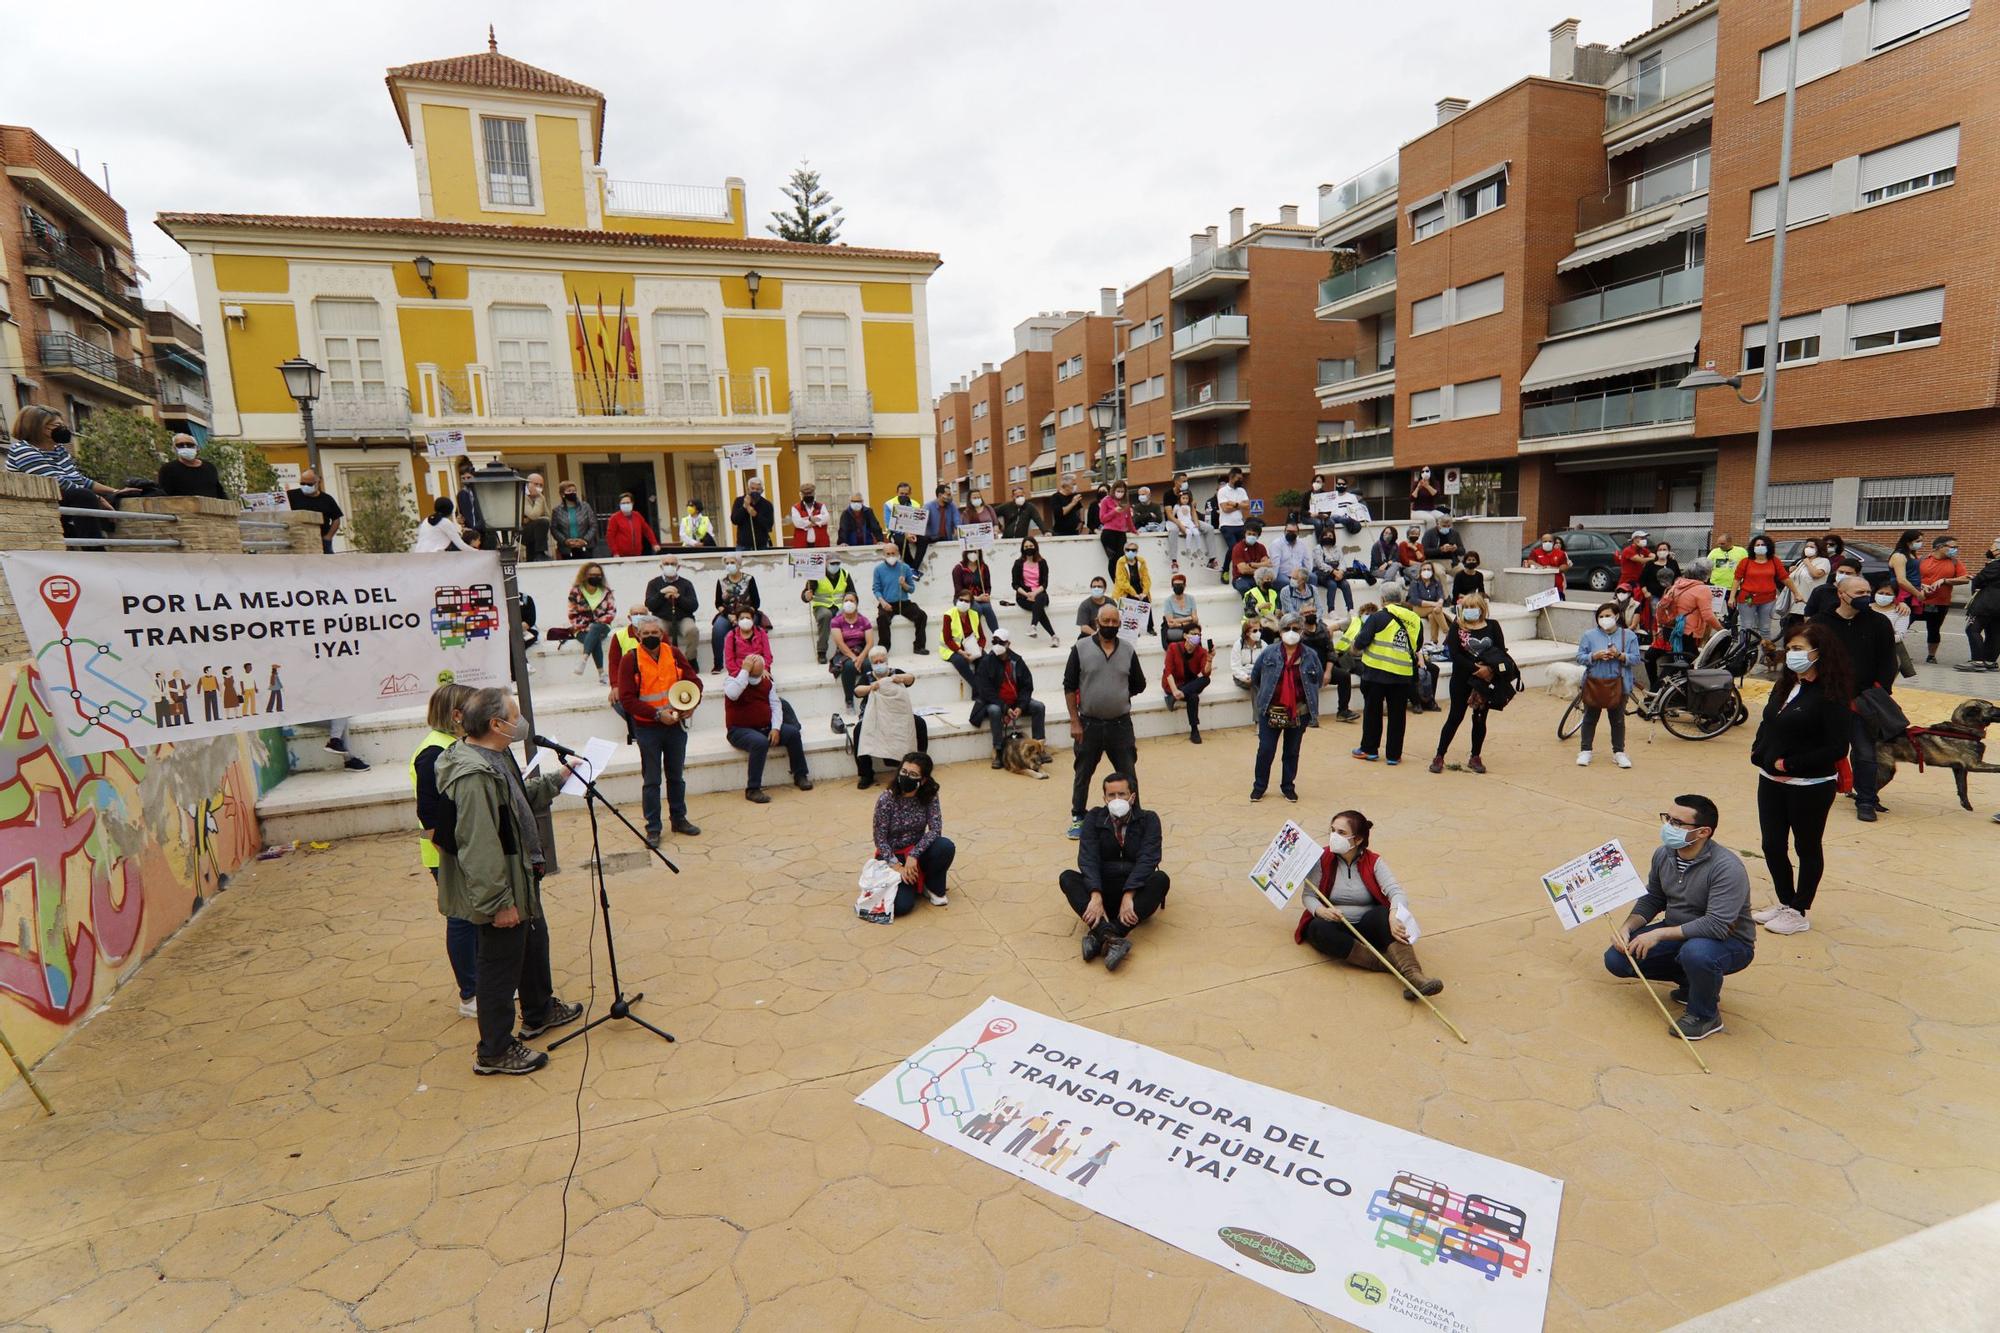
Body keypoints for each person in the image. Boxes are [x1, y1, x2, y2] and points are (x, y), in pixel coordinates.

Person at [434, 688, 584, 1075]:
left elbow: (517, 802)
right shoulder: (473, 775)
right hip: (501, 888)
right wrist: (499, 903)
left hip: (522, 874)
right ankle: (495, 1050)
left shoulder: (496, 756)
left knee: (534, 943)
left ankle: (538, 1011)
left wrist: (560, 778)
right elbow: (479, 845)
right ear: (496, 724)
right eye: (514, 716)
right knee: (499, 966)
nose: (521, 723)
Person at [1604, 794, 1755, 1042]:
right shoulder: (1664, 854)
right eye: (1667, 818)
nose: (1667, 827)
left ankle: (1705, 1015)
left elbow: (1717, 925)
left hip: (1728, 942)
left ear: (1703, 832)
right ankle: (1692, 982)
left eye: (1677, 823)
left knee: (1697, 953)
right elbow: (1653, 897)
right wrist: (1627, 928)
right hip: (1678, 932)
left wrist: (1658, 933)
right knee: (1617, 960)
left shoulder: (1727, 868)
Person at [1751, 622, 1852, 936]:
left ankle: (1799, 909)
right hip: (1770, 781)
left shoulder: (1831, 694)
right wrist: (1759, 752)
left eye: (1797, 649)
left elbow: (1837, 746)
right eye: (1790, 648)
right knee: (1772, 845)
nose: (1791, 655)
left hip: (1809, 786)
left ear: (1817, 653)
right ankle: (1784, 902)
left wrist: (1790, 763)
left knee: (1806, 847)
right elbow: (1769, 722)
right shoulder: (1785, 684)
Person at [1294, 810, 1442, 998]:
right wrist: (1321, 911)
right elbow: (1308, 896)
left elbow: (1396, 892)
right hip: (1338, 926)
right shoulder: (1322, 858)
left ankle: (1415, 976)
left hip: (1367, 925)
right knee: (1317, 928)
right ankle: (1386, 964)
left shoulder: (1373, 861)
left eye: (1341, 833)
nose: (1333, 836)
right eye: (1332, 830)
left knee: (1385, 914)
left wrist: (1393, 913)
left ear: (1357, 840)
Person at [413, 685, 477, 1018]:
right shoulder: (433, 753)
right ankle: (470, 994)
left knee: (475, 916)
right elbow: (430, 812)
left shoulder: (453, 744)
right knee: (462, 919)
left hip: (460, 848)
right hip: (446, 853)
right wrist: (453, 851)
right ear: (455, 715)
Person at [1060, 773, 1168, 971]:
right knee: (1067, 878)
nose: (1117, 799)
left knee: (1160, 879)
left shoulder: (1149, 819)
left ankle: (1102, 934)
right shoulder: (1093, 818)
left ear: (1132, 797)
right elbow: (1088, 858)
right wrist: (1095, 894)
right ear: (1104, 798)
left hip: (1135, 896)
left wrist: (1130, 893)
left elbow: (1148, 859)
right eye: (1111, 795)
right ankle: (1111, 937)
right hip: (1103, 890)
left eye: (1122, 794)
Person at [1812, 574, 1897, 822]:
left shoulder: (1879, 623)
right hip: (1827, 698)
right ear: (1842, 595)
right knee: (1819, 749)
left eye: (1867, 592)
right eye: (1859, 593)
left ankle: (1867, 799)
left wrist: (1878, 693)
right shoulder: (1821, 622)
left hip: (1863, 700)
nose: (1866, 597)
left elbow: (1888, 662)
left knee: (1865, 753)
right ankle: (1816, 791)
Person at [616, 614, 704, 844]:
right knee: (652, 780)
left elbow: (695, 682)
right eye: (646, 634)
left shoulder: (674, 653)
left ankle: (679, 819)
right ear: (637, 635)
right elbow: (626, 699)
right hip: (648, 729)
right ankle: (653, 828)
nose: (651, 637)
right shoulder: (630, 659)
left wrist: (692, 704)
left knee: (676, 777)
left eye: (655, 633)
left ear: (662, 634)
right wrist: (656, 714)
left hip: (675, 725)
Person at [1064, 602, 1146, 839]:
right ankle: (1078, 816)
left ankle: (1135, 817)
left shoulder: (1128, 650)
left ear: (1120, 624)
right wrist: (1074, 721)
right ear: (1097, 622)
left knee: (1128, 773)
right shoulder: (1080, 649)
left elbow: (1138, 684)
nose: (1110, 625)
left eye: (1114, 622)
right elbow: (1069, 686)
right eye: (1105, 621)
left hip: (1120, 725)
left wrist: (1117, 692)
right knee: (1083, 772)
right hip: (1088, 724)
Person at [1340, 584, 1422, 765]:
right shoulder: (1415, 619)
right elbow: (1418, 645)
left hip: (1376, 673)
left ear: (1383, 599)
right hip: (1402, 675)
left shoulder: (1378, 617)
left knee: (1373, 713)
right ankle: (1394, 755)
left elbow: (1361, 642)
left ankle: (1369, 750)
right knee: (1398, 716)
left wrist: (1353, 649)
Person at [1429, 592, 1504, 774]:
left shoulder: (1493, 626)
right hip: (1462, 679)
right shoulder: (1458, 627)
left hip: (1485, 680)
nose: (1470, 611)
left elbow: (1501, 651)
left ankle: (1475, 756)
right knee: (1455, 717)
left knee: (1479, 719)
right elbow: (1454, 655)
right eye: (1467, 608)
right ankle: (1440, 755)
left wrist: (1489, 669)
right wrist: (1475, 668)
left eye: (1474, 607)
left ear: (1482, 609)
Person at [872, 753, 957, 913]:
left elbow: (935, 829)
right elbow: (880, 839)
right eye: (903, 772)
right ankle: (911, 882)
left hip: (916, 852)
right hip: (892, 856)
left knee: (945, 846)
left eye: (913, 775)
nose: (906, 777)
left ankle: (930, 885)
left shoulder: (929, 794)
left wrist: (914, 854)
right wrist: (898, 867)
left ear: (923, 780)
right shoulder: (886, 799)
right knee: (901, 906)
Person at [1250, 613, 1321, 802]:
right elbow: (1256, 676)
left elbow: (1317, 680)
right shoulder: (1269, 652)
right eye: (1287, 629)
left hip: (1299, 711)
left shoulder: (1310, 656)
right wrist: (1268, 695)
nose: (1291, 633)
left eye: (1296, 629)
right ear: (1280, 631)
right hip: (1271, 710)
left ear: (1302, 631)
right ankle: (1259, 786)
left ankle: (1288, 786)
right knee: (1266, 749)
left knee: (1291, 751)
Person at [722, 653, 810, 802]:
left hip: (765, 727)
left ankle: (800, 775)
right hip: (739, 730)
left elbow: (776, 706)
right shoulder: (733, 680)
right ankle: (753, 789)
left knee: (793, 734)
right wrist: (744, 671)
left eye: (758, 674)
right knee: (760, 742)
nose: (756, 680)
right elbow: (733, 694)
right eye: (753, 675)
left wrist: (775, 728)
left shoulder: (767, 682)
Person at [1575, 601, 1643, 768]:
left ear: (1617, 616)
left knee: (1617, 720)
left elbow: (1635, 658)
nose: (1604, 619)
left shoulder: (1628, 636)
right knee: (1590, 718)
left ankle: (1619, 752)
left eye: (1608, 616)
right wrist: (1594, 656)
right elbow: (1580, 657)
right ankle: (1585, 751)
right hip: (1594, 682)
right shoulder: (1589, 635)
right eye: (1601, 616)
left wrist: (1619, 655)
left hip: (1620, 684)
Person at [853, 646, 927, 787]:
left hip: (897, 714)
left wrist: (900, 678)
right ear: (871, 663)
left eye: (882, 661)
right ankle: (866, 774)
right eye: (876, 662)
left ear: (887, 661)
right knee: (859, 730)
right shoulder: (868, 676)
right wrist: (870, 688)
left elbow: (911, 679)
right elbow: (857, 691)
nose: (879, 664)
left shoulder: (895, 672)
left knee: (920, 724)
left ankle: (920, 767)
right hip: (875, 715)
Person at [972, 627, 1045, 765]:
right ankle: (998, 750)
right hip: (995, 702)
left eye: (1000, 642)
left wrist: (1021, 707)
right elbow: (985, 691)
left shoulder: (1017, 661)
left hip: (1016, 701)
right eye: (994, 641)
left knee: (1038, 707)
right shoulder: (986, 662)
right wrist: (1004, 707)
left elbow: (1027, 686)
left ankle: (1039, 746)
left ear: (1008, 644)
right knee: (995, 710)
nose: (997, 645)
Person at [1300, 603, 1356, 723]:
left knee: (1344, 676)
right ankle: (1309, 716)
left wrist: (1327, 672)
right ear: (1301, 615)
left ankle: (1343, 711)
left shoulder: (1323, 629)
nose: (1310, 614)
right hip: (1305, 669)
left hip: (1323, 666)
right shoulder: (1299, 633)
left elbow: (1331, 653)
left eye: (1312, 612)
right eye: (1306, 613)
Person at [1917, 535, 1968, 665]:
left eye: (1957, 547)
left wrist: (1945, 580)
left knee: (1934, 629)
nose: (1955, 550)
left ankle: (1931, 656)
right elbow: (1908, 577)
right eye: (1953, 547)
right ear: (1940, 547)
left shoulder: (1954, 562)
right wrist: (1921, 585)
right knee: (1904, 625)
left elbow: (1965, 578)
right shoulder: (1921, 560)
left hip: (1939, 603)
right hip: (1917, 600)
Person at [642, 556, 703, 662]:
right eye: (666, 564)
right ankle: (663, 660)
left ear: (678, 567)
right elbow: (650, 605)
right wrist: (661, 593)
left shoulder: (686, 584)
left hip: (683, 618)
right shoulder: (653, 583)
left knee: (692, 630)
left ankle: (690, 659)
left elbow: (693, 606)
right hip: (662, 618)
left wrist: (678, 597)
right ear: (661, 566)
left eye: (672, 564)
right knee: (657, 631)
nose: (669, 566)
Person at [801, 554, 858, 664]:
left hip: (840, 606)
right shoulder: (816, 574)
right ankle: (821, 651)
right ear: (826, 563)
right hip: (821, 606)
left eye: (838, 563)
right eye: (832, 563)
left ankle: (850, 648)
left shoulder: (845, 574)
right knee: (825, 616)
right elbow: (805, 594)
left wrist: (849, 604)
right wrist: (806, 596)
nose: (835, 566)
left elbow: (852, 592)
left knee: (852, 616)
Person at [1161, 622, 1211, 743]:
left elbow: (1205, 673)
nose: (1196, 637)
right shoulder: (1173, 647)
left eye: (1199, 635)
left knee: (1206, 680)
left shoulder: (1202, 651)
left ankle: (1172, 699)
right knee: (1193, 696)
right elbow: (1168, 672)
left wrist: (1210, 660)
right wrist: (1174, 691)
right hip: (1173, 684)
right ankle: (1194, 729)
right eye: (1193, 634)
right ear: (1185, 636)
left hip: (1189, 683)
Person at [566, 563, 616, 684]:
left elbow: (611, 612)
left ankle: (584, 659)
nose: (596, 577)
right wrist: (586, 626)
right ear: (585, 575)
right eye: (592, 574)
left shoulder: (606, 592)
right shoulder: (576, 591)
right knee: (595, 639)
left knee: (596, 628)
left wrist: (595, 624)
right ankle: (602, 674)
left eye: (598, 575)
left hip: (603, 626)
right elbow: (572, 613)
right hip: (581, 628)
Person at [873, 541, 927, 652]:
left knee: (922, 616)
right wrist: (883, 602)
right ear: (884, 555)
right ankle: (884, 647)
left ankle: (919, 646)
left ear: (898, 554)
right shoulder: (878, 569)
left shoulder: (905, 568)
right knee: (882, 619)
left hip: (904, 602)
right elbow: (876, 589)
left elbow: (911, 589)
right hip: (887, 602)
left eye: (893, 553)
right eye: (888, 554)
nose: (891, 556)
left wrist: (904, 585)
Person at [826, 593, 875, 713]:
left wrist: (861, 657)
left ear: (856, 604)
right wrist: (853, 658)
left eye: (852, 600)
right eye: (846, 600)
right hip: (844, 652)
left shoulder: (864, 620)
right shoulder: (836, 621)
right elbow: (840, 643)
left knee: (868, 665)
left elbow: (869, 642)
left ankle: (867, 700)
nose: (849, 603)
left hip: (861, 651)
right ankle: (849, 700)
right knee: (848, 667)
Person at [710, 556, 763, 670]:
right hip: (728, 614)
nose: (729, 565)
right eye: (727, 563)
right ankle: (718, 664)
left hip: (747, 613)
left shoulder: (749, 579)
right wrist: (729, 616)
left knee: (754, 626)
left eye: (732, 562)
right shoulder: (721, 581)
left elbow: (756, 603)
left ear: (739, 564)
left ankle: (755, 660)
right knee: (718, 629)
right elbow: (718, 603)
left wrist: (744, 616)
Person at [1733, 535, 1785, 647]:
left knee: (1765, 628)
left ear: (1768, 547)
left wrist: (1796, 593)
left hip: (1768, 599)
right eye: (1758, 545)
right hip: (1748, 598)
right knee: (1746, 626)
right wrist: (1732, 597)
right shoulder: (1745, 562)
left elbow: (1784, 577)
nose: (1760, 547)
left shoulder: (1774, 561)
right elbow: (1737, 579)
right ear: (1753, 547)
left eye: (1763, 545)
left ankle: (1767, 655)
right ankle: (1743, 651)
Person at [1958, 537, 2000, 673]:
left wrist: (1975, 579)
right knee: (1994, 632)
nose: (1991, 549)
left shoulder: (1995, 565)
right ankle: (1990, 661)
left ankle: (1977, 660)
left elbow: (1981, 580)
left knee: (1972, 629)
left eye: (1993, 547)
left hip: (1987, 603)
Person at [279, 467, 343, 553]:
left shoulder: (327, 499)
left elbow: (336, 518)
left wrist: (328, 537)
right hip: (297, 539)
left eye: (309, 484)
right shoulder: (291, 496)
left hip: (321, 540)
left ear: (318, 482)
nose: (305, 486)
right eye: (302, 483)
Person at [938, 588, 989, 686]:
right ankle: (977, 687)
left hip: (970, 647)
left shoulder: (974, 615)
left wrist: (979, 649)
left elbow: (982, 637)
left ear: (971, 604)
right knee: (960, 661)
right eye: (961, 599)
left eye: (966, 601)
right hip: (951, 649)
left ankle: (978, 691)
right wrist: (961, 652)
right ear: (957, 600)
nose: (963, 602)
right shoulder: (948, 615)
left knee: (984, 659)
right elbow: (947, 639)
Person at [1012, 537, 1057, 642]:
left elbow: (1045, 583)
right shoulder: (1018, 563)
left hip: (1039, 593)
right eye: (1026, 547)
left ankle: (1033, 626)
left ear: (1035, 547)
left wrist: (1034, 593)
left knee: (1040, 600)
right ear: (1022, 549)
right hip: (1024, 596)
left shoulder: (1042, 562)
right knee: (1039, 608)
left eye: (1031, 546)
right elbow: (1015, 584)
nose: (1029, 548)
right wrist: (1027, 594)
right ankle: (1053, 636)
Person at [155, 434, 227, 499]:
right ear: (174, 449)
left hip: (211, 509)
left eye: (189, 445)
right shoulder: (168, 469)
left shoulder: (209, 467)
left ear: (196, 447)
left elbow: (219, 492)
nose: (185, 447)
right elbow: (164, 495)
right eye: (180, 445)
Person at [722, 601, 774, 676]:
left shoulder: (761, 632)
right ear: (737, 621)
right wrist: (740, 674)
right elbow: (729, 660)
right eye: (742, 618)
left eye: (748, 618)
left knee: (767, 686)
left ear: (752, 620)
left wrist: (765, 669)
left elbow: (768, 655)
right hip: (739, 672)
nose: (745, 620)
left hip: (761, 671)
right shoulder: (731, 636)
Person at [1214, 467, 1251, 573]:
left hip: (1240, 524)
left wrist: (1234, 504)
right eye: (1238, 478)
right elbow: (1225, 509)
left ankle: (1239, 570)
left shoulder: (1242, 490)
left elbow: (1248, 506)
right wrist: (1240, 505)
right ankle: (1225, 569)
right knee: (1234, 548)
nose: (1241, 480)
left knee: (1243, 549)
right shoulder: (1222, 491)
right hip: (1226, 525)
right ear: (1231, 477)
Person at [953, 548, 999, 629]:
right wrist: (977, 598)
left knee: (987, 608)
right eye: (970, 551)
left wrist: (986, 595)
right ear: (966, 552)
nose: (973, 554)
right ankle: (974, 635)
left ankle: (998, 636)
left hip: (980, 597)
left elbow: (988, 586)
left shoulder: (984, 567)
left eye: (975, 551)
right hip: (962, 598)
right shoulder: (958, 568)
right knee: (977, 609)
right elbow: (958, 591)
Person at [413, 496, 478, 552]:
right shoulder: (445, 522)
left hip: (419, 555)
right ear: (449, 510)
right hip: (433, 557)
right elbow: (460, 545)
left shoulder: (426, 520)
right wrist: (478, 552)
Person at [552, 481, 597, 559]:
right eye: (569, 491)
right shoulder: (557, 511)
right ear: (562, 494)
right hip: (566, 549)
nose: (572, 493)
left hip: (585, 547)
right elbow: (554, 529)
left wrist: (584, 540)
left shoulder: (586, 507)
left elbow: (593, 525)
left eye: (574, 491)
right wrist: (565, 541)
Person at [604, 492, 657, 557]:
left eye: (628, 502)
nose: (626, 505)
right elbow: (610, 537)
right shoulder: (614, 518)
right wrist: (615, 552)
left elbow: (647, 530)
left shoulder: (637, 515)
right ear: (619, 504)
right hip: (620, 555)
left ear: (632, 503)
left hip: (637, 554)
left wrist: (654, 543)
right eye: (623, 503)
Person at [884, 480, 924, 563]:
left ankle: (916, 565)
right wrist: (905, 533)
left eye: (906, 494)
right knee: (900, 541)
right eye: (901, 493)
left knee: (924, 539)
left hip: (913, 532)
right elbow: (889, 525)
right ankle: (910, 565)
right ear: (897, 492)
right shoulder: (889, 504)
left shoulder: (916, 504)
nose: (904, 496)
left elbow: (919, 523)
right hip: (896, 533)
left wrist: (913, 533)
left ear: (910, 494)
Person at [1097, 481, 1135, 569]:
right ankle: (1116, 581)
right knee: (1113, 559)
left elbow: (1128, 519)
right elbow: (1102, 519)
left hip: (1121, 533)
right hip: (1109, 533)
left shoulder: (1125, 503)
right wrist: (1114, 511)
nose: (1120, 493)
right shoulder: (1106, 500)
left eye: (1122, 491)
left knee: (1121, 559)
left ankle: (1120, 580)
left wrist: (1134, 530)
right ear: (1114, 490)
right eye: (1118, 491)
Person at [731, 477, 776, 551]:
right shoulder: (739, 501)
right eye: (752, 488)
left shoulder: (767, 504)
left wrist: (756, 515)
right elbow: (734, 520)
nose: (755, 491)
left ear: (762, 491)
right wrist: (744, 507)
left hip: (761, 546)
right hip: (743, 546)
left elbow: (769, 526)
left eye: (757, 489)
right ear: (748, 489)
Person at [1111, 545, 1151, 628]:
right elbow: (1122, 581)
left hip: (1139, 586)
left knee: (1146, 601)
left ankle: (1148, 627)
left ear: (1137, 551)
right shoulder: (1121, 562)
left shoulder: (1141, 561)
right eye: (1128, 549)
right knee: (1129, 603)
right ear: (1124, 550)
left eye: (1133, 550)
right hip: (1125, 589)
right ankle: (1131, 628)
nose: (1130, 552)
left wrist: (1144, 592)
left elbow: (1146, 578)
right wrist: (1134, 593)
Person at [921, 483, 960, 567]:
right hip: (932, 543)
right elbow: (921, 523)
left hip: (948, 541)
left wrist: (958, 529)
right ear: (940, 495)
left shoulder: (952, 506)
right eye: (948, 494)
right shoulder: (927, 507)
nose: (950, 497)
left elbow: (957, 520)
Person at [1228, 521, 1272, 594]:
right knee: (1245, 588)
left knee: (1269, 585)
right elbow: (1243, 570)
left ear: (1258, 536)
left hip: (1257, 577)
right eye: (1249, 534)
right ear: (1245, 534)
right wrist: (1260, 567)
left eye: (1254, 534)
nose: (1251, 536)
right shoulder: (1238, 548)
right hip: (1241, 578)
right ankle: (1250, 605)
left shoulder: (1261, 547)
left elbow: (1267, 564)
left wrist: (1252, 564)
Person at [1168, 486, 1205, 571]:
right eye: (1183, 498)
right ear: (1179, 498)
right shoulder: (1177, 506)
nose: (1185, 500)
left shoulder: (1189, 506)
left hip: (1190, 522)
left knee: (1196, 533)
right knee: (1189, 533)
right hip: (1182, 523)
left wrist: (1195, 523)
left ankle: (1199, 549)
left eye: (1187, 498)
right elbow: (1173, 516)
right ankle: (1188, 549)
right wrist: (1177, 524)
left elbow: (1192, 515)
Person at [1158, 573, 1198, 648]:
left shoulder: (1191, 599)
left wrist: (1178, 623)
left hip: (1187, 627)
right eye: (1175, 585)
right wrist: (1188, 618)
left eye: (1180, 585)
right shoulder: (1168, 601)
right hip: (1174, 628)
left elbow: (1195, 619)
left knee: (1195, 639)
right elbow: (1170, 623)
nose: (1177, 587)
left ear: (1185, 585)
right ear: (1172, 586)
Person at [452, 462, 487, 547]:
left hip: (485, 533)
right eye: (463, 478)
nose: (466, 480)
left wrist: (475, 529)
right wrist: (458, 519)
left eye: (468, 477)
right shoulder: (461, 494)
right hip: (470, 536)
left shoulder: (483, 492)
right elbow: (459, 512)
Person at [1527, 532, 1571, 598]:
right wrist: (1541, 567)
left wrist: (1552, 569)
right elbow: (1530, 561)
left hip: (1556, 586)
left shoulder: (1561, 553)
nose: (1547, 543)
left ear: (1553, 542)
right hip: (1539, 586)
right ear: (1541, 542)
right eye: (1545, 541)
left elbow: (1564, 566)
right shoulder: (1535, 552)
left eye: (1550, 541)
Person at [1706, 532, 1749, 599]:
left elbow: (1747, 566)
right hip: (1716, 586)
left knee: (1731, 608)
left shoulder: (1741, 551)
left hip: (1733, 587)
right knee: (1716, 608)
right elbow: (1707, 566)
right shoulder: (1714, 552)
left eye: (1723, 544)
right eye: (1718, 543)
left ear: (1730, 542)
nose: (1720, 545)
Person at [789, 482, 832, 548]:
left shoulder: (821, 506)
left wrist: (807, 521)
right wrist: (811, 519)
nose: (808, 496)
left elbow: (826, 518)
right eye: (806, 494)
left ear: (814, 494)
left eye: (810, 494)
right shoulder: (795, 508)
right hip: (802, 545)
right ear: (801, 495)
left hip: (821, 544)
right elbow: (798, 523)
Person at [520, 473, 552, 560]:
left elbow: (548, 516)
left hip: (536, 531)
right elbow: (533, 515)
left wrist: (529, 519)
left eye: (541, 485)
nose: (538, 487)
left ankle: (537, 556)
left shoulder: (541, 497)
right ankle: (540, 553)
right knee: (542, 522)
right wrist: (539, 499)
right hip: (521, 532)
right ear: (528, 484)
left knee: (543, 522)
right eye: (536, 484)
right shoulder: (521, 496)